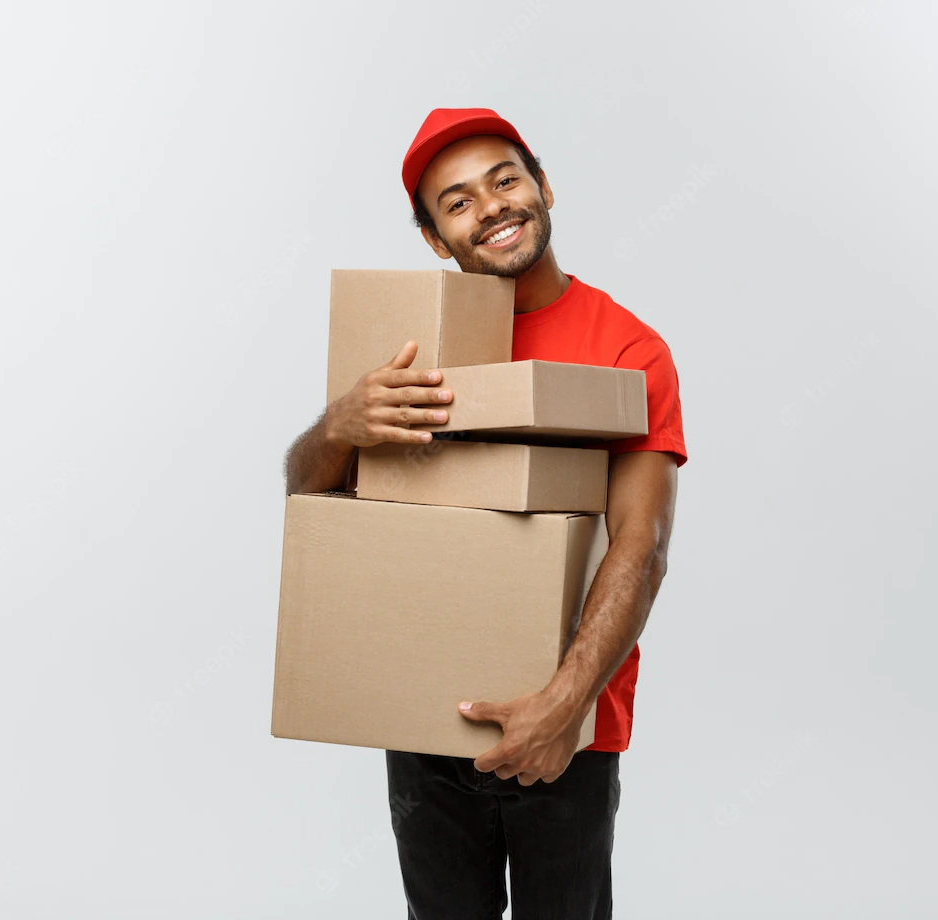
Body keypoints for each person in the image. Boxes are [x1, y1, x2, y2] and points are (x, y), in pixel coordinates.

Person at [283, 107, 687, 919]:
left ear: (542, 187)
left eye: (505, 180)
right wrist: (340, 425)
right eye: (457, 201)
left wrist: (561, 705)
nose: (491, 206)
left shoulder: (628, 347)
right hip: (424, 711)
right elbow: (308, 494)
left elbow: (640, 546)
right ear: (437, 238)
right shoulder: (413, 345)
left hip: (568, 727)